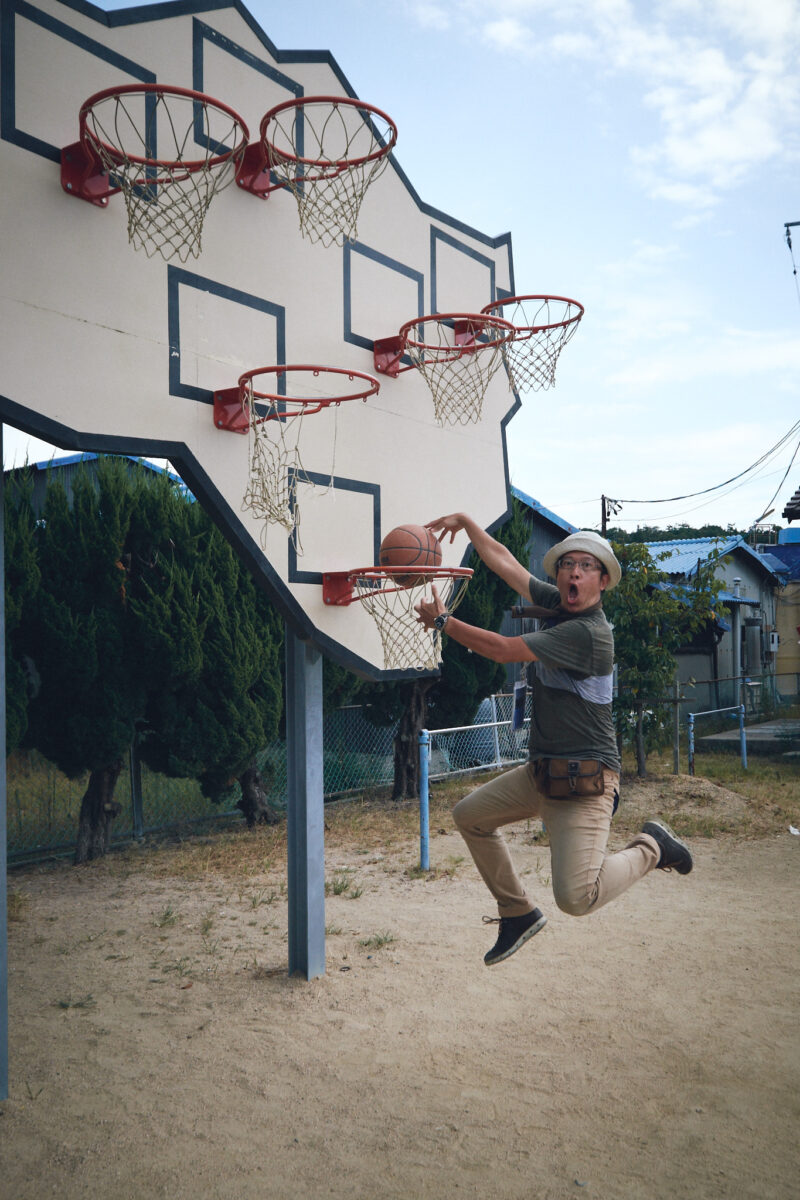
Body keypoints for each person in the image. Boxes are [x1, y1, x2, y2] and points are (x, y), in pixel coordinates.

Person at [415, 514, 693, 967]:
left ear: (602, 581)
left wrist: (444, 622)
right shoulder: (562, 608)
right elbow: (506, 563)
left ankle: (653, 846)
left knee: (577, 898)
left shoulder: (586, 633)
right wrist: (468, 524)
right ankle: (517, 912)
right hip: (542, 772)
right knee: (471, 816)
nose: (574, 572)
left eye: (586, 566)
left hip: (586, 781)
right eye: (567, 565)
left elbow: (504, 650)